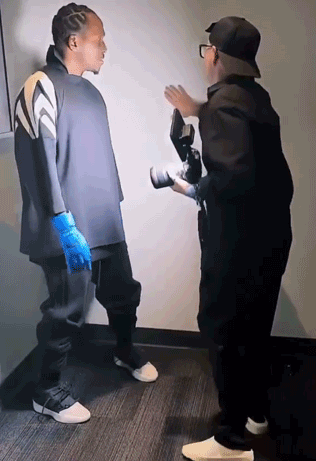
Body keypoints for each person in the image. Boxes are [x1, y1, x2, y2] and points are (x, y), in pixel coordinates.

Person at [13, 3, 158, 425]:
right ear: (73, 42)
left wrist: (115, 211)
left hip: (105, 221)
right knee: (66, 310)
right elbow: (37, 160)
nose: (105, 48)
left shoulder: (92, 93)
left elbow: (99, 159)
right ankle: (46, 391)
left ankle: (124, 351)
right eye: (99, 39)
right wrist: (62, 222)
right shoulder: (40, 86)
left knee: (123, 293)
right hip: (68, 227)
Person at [165, 17, 293, 461]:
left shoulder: (223, 107)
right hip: (270, 237)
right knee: (254, 328)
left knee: (224, 331)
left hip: (238, 243)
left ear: (215, 55)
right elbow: (242, 144)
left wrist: (193, 188)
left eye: (207, 50)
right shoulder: (255, 98)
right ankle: (255, 413)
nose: (206, 57)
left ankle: (231, 441)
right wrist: (198, 109)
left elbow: (233, 177)